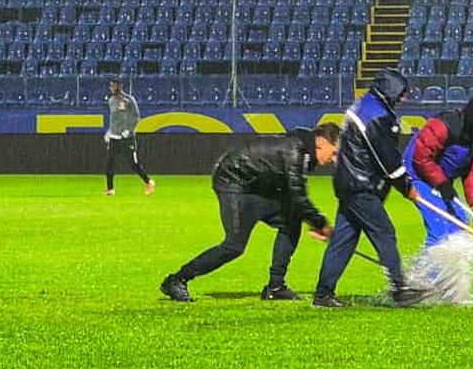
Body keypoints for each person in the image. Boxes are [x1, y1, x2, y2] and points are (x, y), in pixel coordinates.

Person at [159, 124, 340, 303]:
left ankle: (276, 287)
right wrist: (321, 224)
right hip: (232, 180)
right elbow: (298, 195)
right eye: (333, 153)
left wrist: (312, 220)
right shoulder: (296, 151)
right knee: (234, 246)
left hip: (255, 185)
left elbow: (293, 195)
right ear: (321, 142)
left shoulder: (303, 151)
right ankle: (176, 280)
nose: (333, 160)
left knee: (291, 222)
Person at [313, 68, 423, 308]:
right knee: (384, 232)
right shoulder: (376, 115)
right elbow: (386, 158)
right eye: (401, 93)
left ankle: (323, 294)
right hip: (361, 185)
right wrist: (406, 186)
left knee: (343, 240)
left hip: (349, 183)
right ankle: (399, 288)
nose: (403, 98)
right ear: (389, 90)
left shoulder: (366, 106)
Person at [404, 96, 473, 246]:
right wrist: (441, 183)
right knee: (440, 228)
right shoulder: (442, 126)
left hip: (440, 179)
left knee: (460, 226)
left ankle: (449, 262)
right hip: (416, 174)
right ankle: (427, 262)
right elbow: (422, 158)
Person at [103, 77, 155, 196]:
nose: (111, 88)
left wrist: (129, 130)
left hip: (126, 138)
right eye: (110, 86)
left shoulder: (129, 100)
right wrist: (109, 131)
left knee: (133, 164)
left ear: (119, 86)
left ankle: (148, 182)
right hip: (114, 137)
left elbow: (136, 117)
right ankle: (110, 188)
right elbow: (114, 118)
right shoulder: (111, 100)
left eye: (113, 85)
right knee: (109, 163)